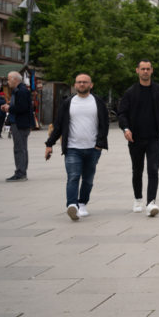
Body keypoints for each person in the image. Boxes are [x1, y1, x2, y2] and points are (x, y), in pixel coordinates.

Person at [44, 73, 109, 221]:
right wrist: (49, 144)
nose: (81, 84)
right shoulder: (68, 103)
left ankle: (82, 203)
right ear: (75, 85)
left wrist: (99, 144)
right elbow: (58, 125)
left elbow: (104, 125)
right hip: (73, 148)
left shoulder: (98, 102)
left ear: (91, 85)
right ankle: (72, 205)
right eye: (79, 82)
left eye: (85, 82)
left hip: (93, 148)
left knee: (88, 179)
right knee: (73, 177)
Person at [117, 60, 159, 217]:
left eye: (148, 69)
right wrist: (126, 128)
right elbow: (122, 113)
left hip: (154, 137)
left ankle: (151, 202)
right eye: (142, 69)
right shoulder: (130, 92)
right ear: (137, 70)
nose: (145, 71)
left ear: (152, 71)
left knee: (153, 169)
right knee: (137, 169)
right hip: (135, 138)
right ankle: (138, 198)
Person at [2, 71, 32, 181]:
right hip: (20, 123)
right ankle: (21, 171)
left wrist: (9, 108)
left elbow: (22, 108)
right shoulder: (19, 90)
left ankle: (20, 173)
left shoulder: (21, 91)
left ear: (15, 80)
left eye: (9, 79)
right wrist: (9, 105)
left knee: (20, 149)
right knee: (21, 148)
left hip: (20, 124)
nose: (8, 81)